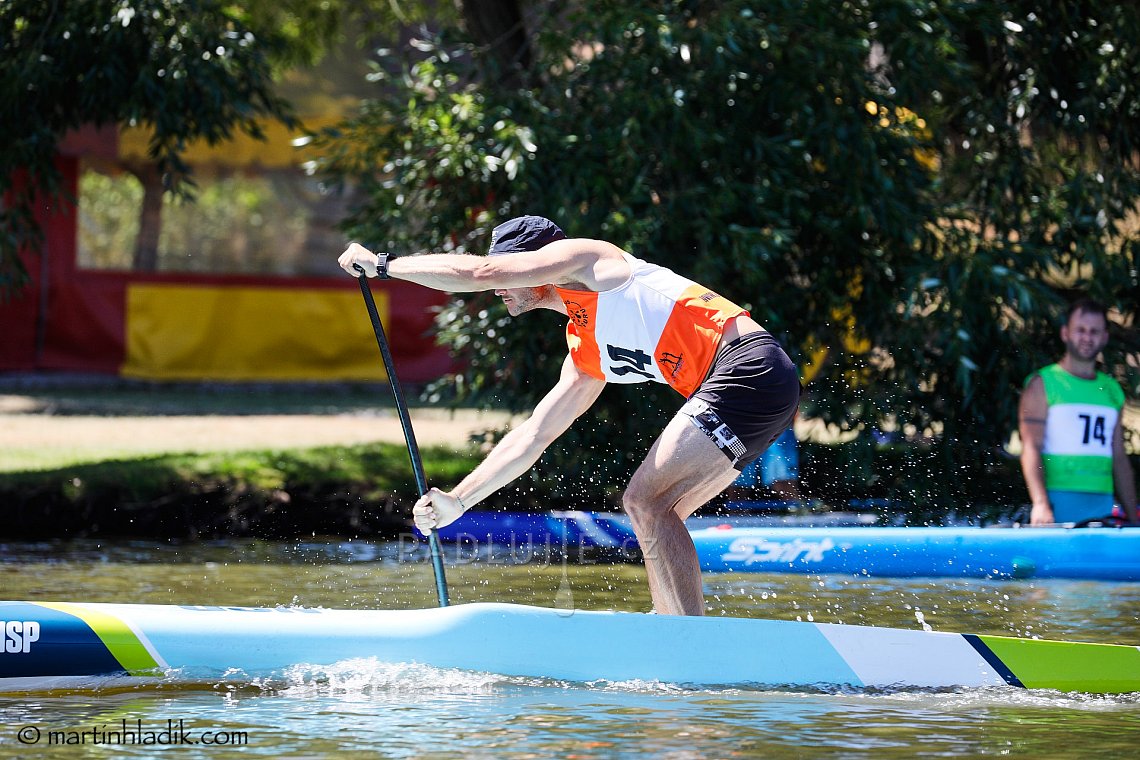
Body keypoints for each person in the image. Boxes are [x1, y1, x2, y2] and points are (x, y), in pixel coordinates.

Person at [339, 215, 800, 615]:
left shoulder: (590, 260)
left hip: (748, 366)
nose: (498, 287)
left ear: (542, 263)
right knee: (658, 512)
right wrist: (459, 501)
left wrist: (383, 265)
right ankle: (672, 630)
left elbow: (481, 270)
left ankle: (684, 640)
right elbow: (536, 433)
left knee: (645, 502)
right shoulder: (585, 347)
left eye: (510, 270)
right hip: (760, 387)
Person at [1018, 298, 1137, 526]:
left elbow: (1119, 458)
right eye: (1080, 330)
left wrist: (1133, 517)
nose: (1087, 337)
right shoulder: (1042, 384)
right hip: (1057, 504)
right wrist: (1040, 503)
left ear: (1104, 337)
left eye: (1094, 331)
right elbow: (1030, 448)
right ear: (1065, 333)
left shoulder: (1111, 390)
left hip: (1102, 504)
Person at [725, 427, 803, 502]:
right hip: (741, 424)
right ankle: (799, 511)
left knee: (782, 483)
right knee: (738, 485)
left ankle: (800, 512)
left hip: (775, 423)